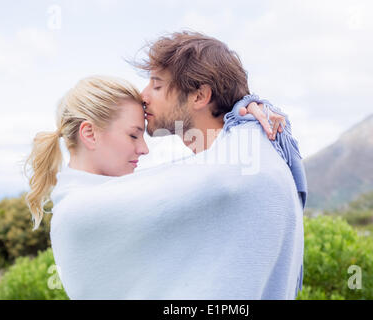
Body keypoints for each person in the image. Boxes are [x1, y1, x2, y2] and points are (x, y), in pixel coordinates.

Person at [25, 31, 306, 300]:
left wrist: (248, 112)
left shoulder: (237, 173)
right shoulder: (246, 158)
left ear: (199, 96)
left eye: (157, 84)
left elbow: (224, 173)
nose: (144, 94)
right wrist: (249, 112)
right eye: (131, 134)